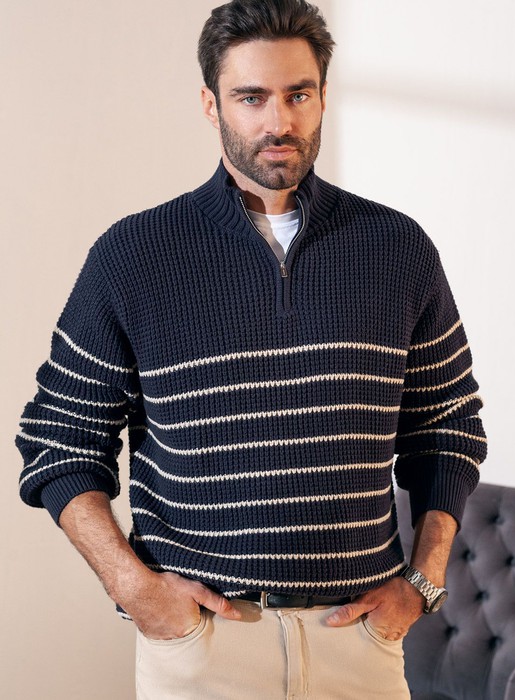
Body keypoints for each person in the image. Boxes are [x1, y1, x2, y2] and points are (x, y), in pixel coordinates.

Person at [16, 1, 487, 698]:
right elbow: (58, 440)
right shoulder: (133, 255)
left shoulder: (398, 248)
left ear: (323, 96)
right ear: (211, 104)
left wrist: (423, 583)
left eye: (298, 94)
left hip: (359, 642)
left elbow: (447, 428)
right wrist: (135, 590)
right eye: (251, 97)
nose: (279, 122)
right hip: (205, 647)